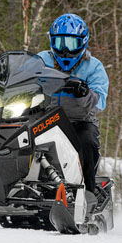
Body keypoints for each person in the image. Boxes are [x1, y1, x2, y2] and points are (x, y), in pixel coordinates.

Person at [37, 13, 109, 194]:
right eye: (60, 43)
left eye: (71, 43)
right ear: (52, 42)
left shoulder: (94, 67)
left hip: (79, 122)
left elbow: (99, 102)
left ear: (83, 43)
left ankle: (88, 193)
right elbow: (22, 76)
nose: (65, 50)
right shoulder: (40, 60)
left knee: (88, 142)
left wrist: (83, 92)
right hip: (43, 118)